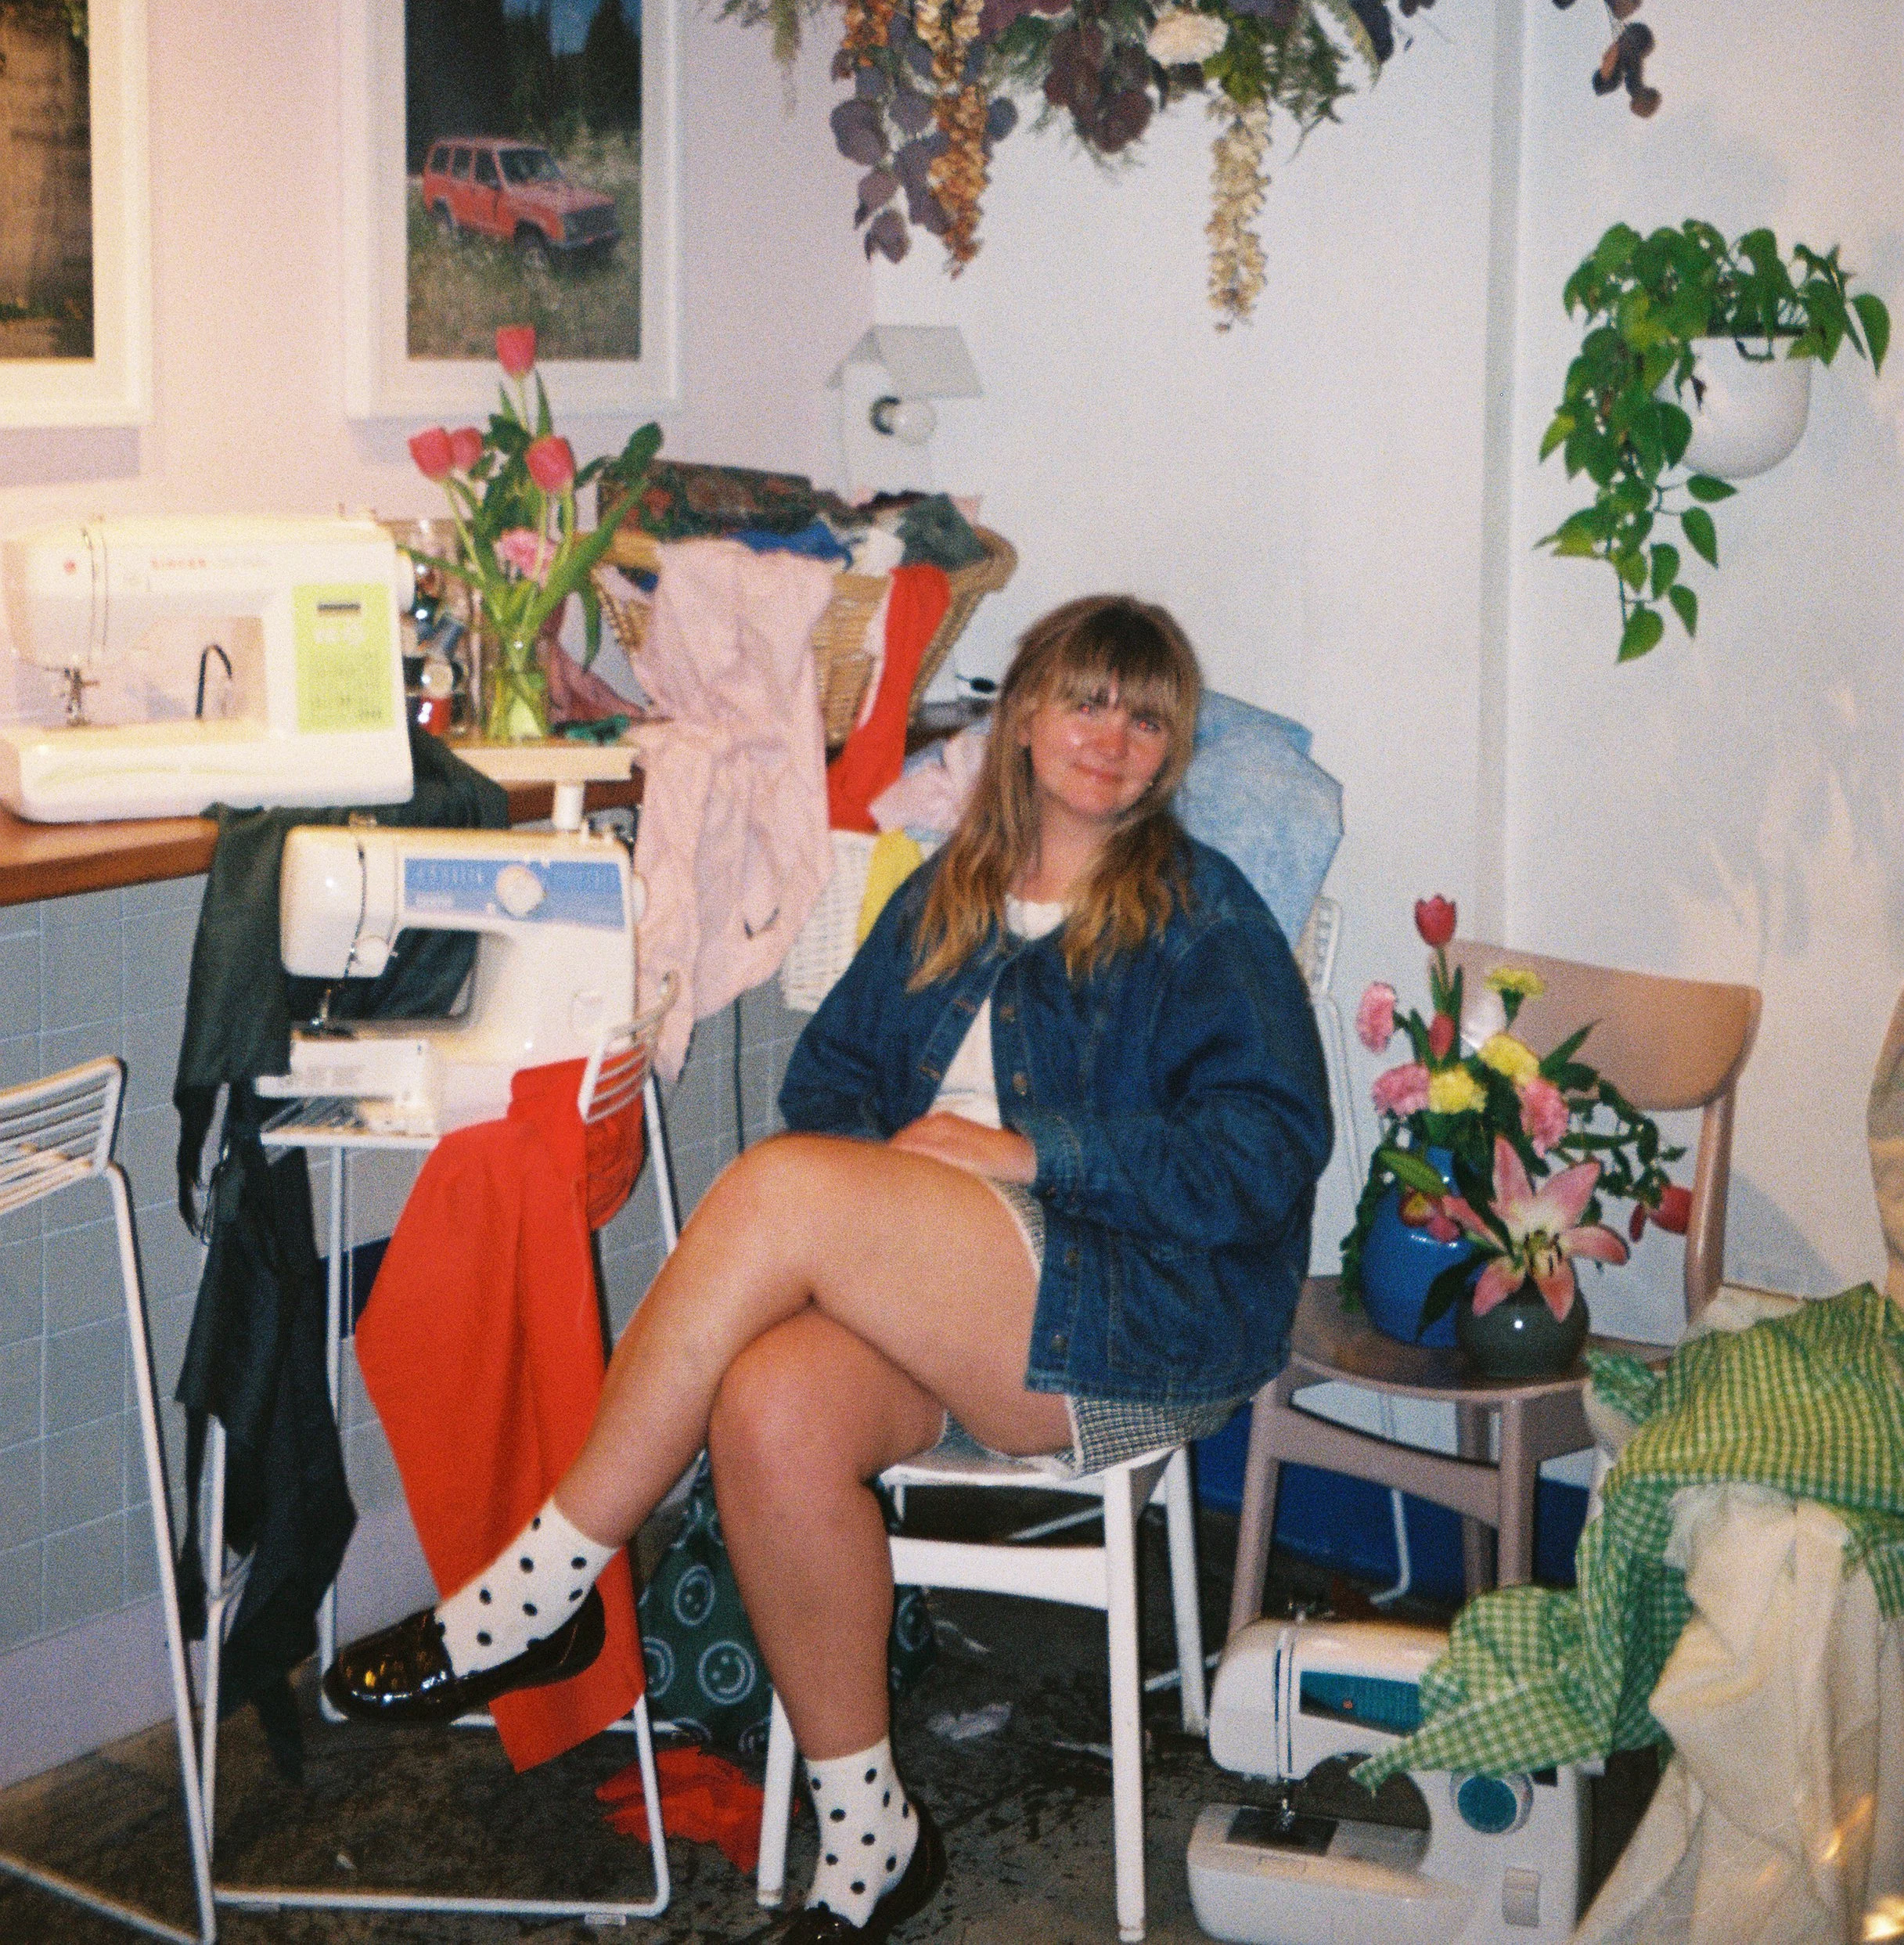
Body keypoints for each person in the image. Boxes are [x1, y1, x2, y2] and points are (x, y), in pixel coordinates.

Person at [327, 595, 1332, 1945]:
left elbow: (1267, 1153)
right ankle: (870, 1839)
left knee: (781, 1187)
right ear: (1023, 719)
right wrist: (880, 1227)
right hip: (955, 1314)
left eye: (1146, 718)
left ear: (1172, 752)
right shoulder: (948, 893)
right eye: (1086, 701)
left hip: (1125, 1310)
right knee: (769, 1404)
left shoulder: (1202, 917)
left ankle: (545, 1584)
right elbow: (833, 1085)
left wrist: (1032, 1153)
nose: (1112, 737)